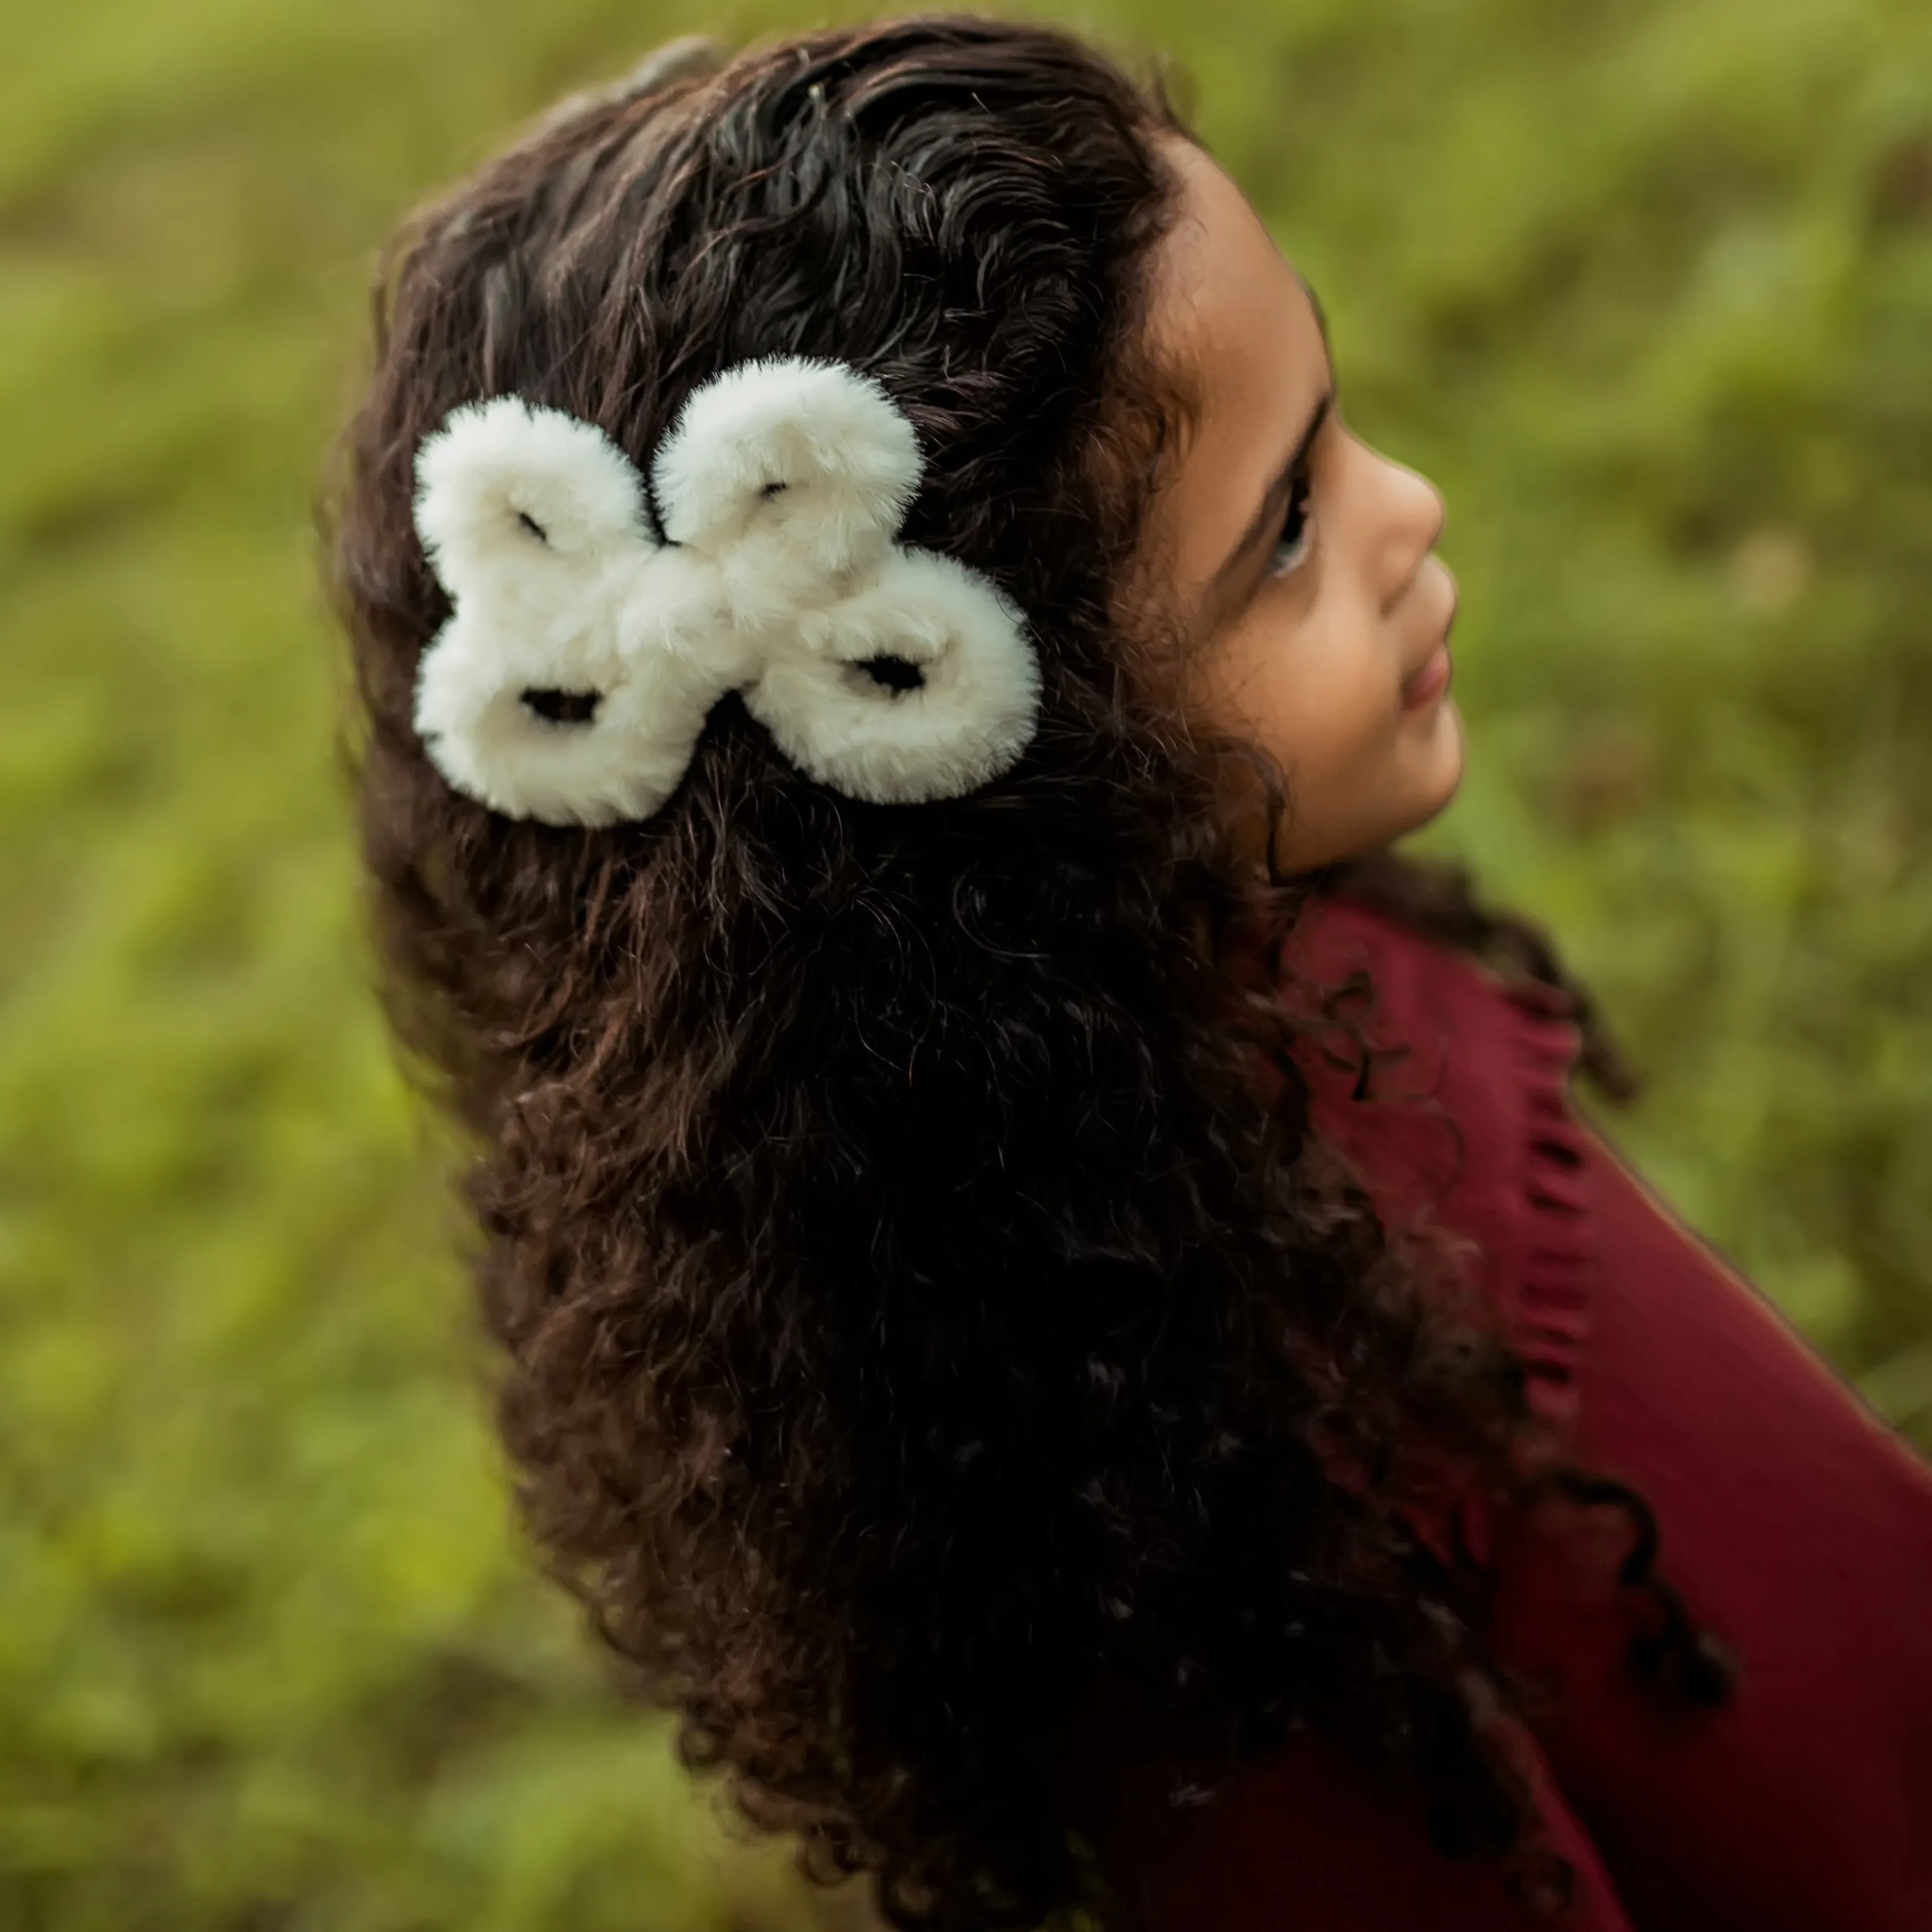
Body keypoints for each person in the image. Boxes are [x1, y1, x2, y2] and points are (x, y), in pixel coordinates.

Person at [326, 18, 1932, 1931]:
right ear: (956, 768)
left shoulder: (1236, 975)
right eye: (1288, 532)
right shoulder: (1164, 1503)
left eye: (1331, 425)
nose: (1407, 508)